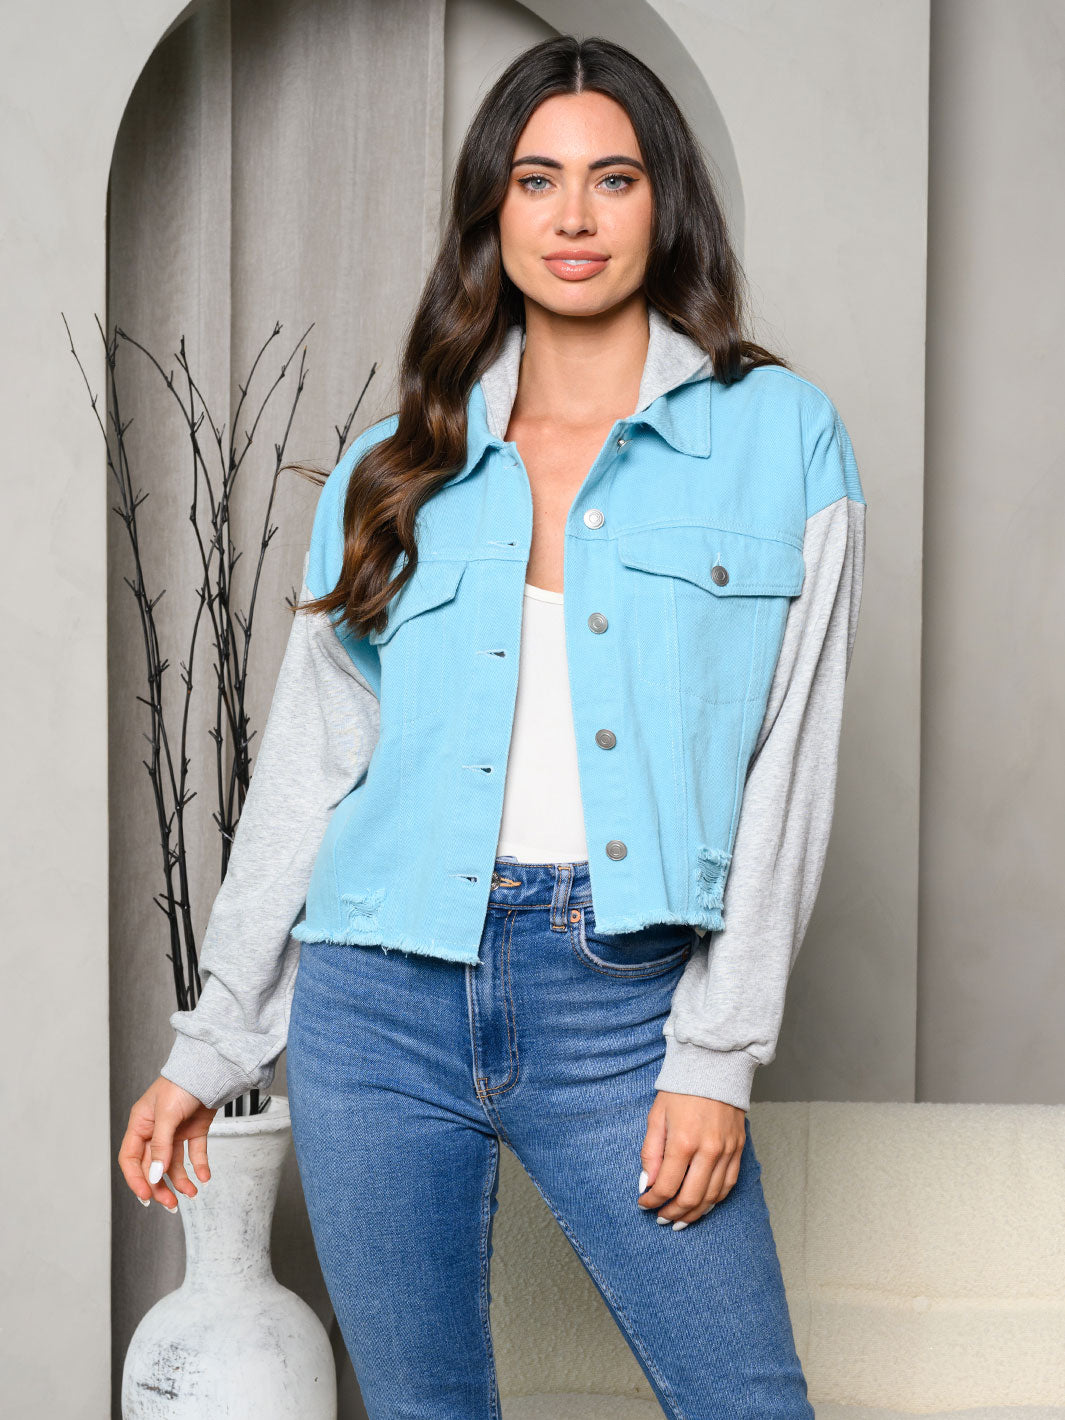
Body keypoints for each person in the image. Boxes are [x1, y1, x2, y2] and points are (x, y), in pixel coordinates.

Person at [119, 34, 866, 1419]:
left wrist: (714, 1054)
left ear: (667, 203)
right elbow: (309, 769)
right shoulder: (394, 464)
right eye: (536, 180)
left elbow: (790, 765)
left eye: (612, 178)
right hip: (374, 1000)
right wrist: (212, 1044)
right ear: (492, 211)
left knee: (746, 1400)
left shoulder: (781, 438)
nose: (574, 216)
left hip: (623, 1000)